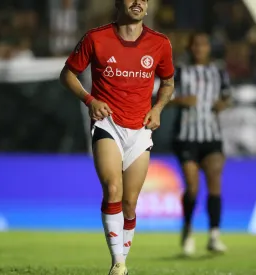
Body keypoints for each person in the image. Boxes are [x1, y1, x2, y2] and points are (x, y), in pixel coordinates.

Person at [59, 0, 175, 274]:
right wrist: (89, 100)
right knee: (112, 188)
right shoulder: (96, 38)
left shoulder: (160, 43)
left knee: (130, 204)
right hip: (107, 124)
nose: (138, 2)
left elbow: (168, 83)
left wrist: (157, 109)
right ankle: (118, 264)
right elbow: (68, 74)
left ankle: (123, 257)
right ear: (118, 3)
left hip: (141, 130)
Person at [169, 32, 232, 256]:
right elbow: (161, 97)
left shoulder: (219, 72)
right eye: (195, 44)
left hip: (211, 135)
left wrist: (222, 104)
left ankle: (214, 235)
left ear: (208, 48)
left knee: (215, 180)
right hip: (186, 137)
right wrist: (178, 100)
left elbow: (227, 97)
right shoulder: (179, 72)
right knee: (193, 187)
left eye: (203, 44)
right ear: (190, 47)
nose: (199, 48)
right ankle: (187, 229)